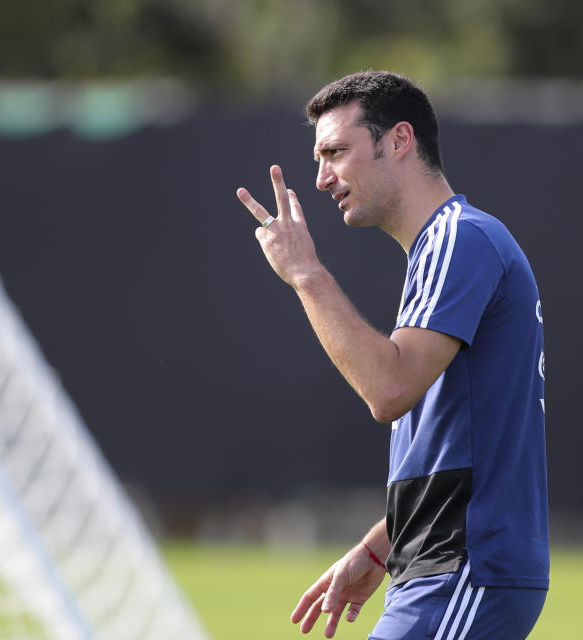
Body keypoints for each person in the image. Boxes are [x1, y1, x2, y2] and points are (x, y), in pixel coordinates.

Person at [235, 70, 548, 640]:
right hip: (442, 567)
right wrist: (380, 547)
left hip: (463, 569)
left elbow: (388, 390)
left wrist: (305, 273)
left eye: (336, 152)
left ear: (399, 140)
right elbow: (460, 438)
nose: (323, 177)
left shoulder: (461, 238)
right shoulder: (442, 247)